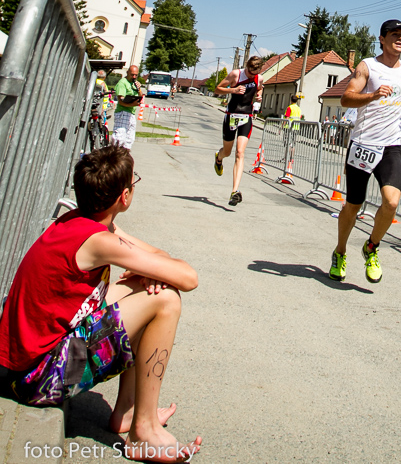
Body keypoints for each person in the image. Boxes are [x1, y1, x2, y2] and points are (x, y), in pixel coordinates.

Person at [0, 146, 201, 463]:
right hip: (35, 380)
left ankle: (127, 411)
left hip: (26, 366)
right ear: (124, 196)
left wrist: (148, 271)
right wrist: (153, 271)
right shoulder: (100, 240)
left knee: (143, 287)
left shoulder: (84, 221)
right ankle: (143, 431)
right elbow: (188, 278)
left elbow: (158, 256)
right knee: (165, 299)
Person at [329, 19, 401, 284]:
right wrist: (372, 95)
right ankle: (340, 251)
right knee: (353, 205)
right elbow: (346, 98)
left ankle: (371, 246)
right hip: (363, 145)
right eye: (395, 34)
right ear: (382, 39)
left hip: (391, 145)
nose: (400, 39)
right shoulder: (368, 66)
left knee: (391, 202)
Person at [213, 56, 264, 206]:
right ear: (246, 67)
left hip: (246, 117)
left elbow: (260, 88)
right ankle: (219, 157)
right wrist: (233, 90)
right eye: (249, 72)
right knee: (227, 152)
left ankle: (234, 191)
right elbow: (217, 89)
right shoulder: (236, 74)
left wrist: (259, 95)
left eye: (254, 73)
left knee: (239, 153)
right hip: (231, 115)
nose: (251, 76)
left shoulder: (259, 78)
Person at [112, 66, 142, 151]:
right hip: (123, 112)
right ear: (127, 72)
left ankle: (125, 156)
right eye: (132, 75)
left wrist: (139, 89)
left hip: (131, 113)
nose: (134, 77)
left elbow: (140, 97)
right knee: (120, 138)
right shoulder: (122, 83)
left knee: (129, 139)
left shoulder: (134, 83)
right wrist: (133, 104)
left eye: (136, 75)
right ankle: (115, 156)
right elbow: (121, 101)